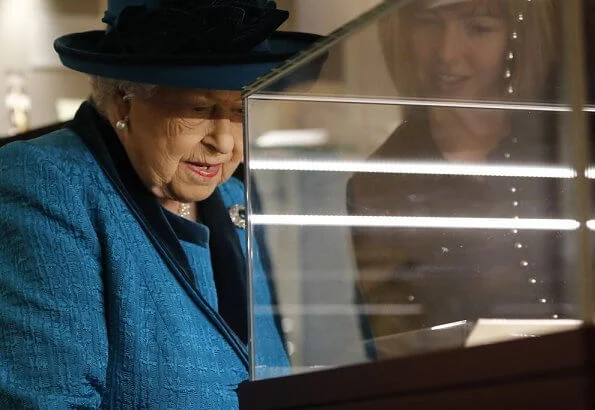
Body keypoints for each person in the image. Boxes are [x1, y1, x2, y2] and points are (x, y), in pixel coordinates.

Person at [0, 0, 322, 407]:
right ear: (122, 101)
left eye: (240, 110)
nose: (223, 142)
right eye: (199, 109)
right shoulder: (45, 182)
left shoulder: (232, 196)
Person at [347, 0, 564, 353]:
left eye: (478, 28)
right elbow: (396, 342)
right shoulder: (382, 182)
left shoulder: (565, 148)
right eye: (428, 24)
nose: (447, 53)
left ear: (518, 36)